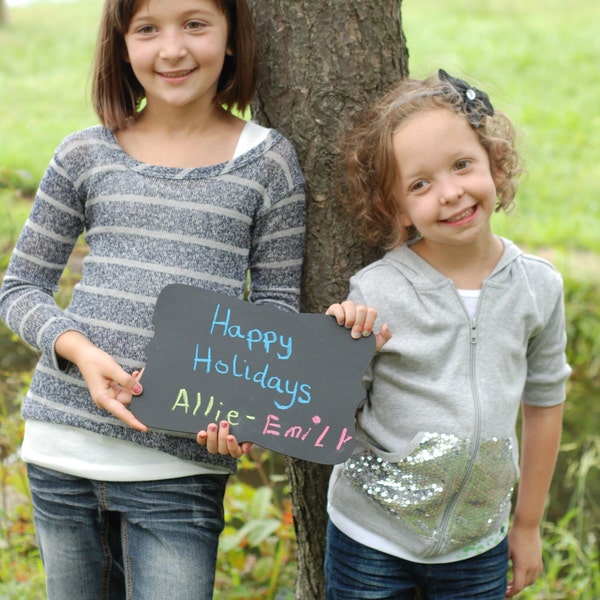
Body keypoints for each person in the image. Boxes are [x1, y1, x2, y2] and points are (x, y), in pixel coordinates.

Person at [0, 0, 305, 598]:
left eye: (195, 23)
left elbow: (274, 311)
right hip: (63, 451)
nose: (172, 49)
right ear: (120, 45)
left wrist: (240, 405)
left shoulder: (269, 163)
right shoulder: (85, 153)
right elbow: (19, 288)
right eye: (147, 29)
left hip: (180, 468)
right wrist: (79, 352)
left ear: (232, 37)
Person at [324, 70, 571, 599]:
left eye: (462, 166)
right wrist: (344, 349)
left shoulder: (538, 288)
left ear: (495, 164)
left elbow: (545, 402)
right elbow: (328, 412)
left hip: (477, 546)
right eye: (420, 184)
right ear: (395, 207)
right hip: (370, 538)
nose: (451, 193)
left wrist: (527, 525)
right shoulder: (376, 290)